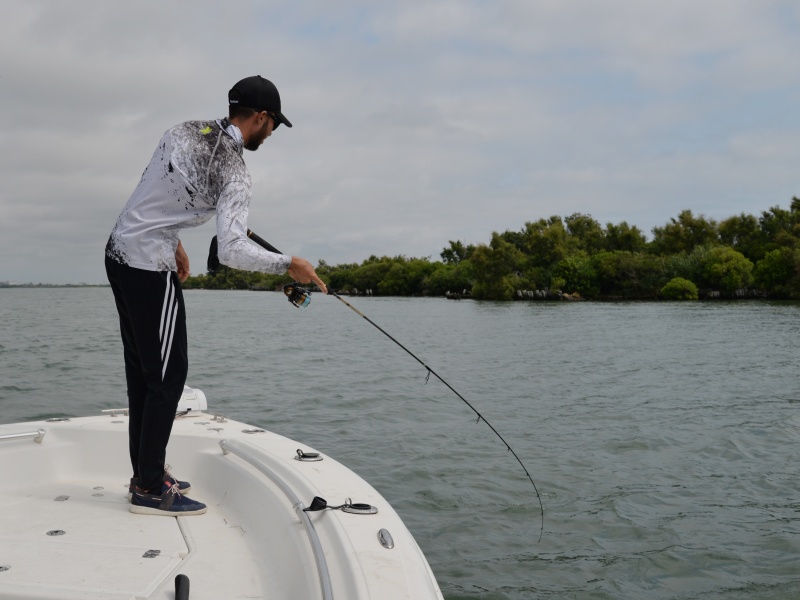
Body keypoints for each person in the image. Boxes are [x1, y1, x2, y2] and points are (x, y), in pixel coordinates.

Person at [105, 75, 327, 516]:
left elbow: (155, 194)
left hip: (118, 252)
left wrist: (175, 240)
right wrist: (289, 263)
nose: (272, 133)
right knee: (168, 378)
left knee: (144, 376)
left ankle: (145, 474)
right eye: (274, 125)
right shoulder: (235, 170)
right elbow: (230, 250)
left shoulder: (183, 130)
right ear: (261, 118)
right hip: (149, 267)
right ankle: (148, 488)